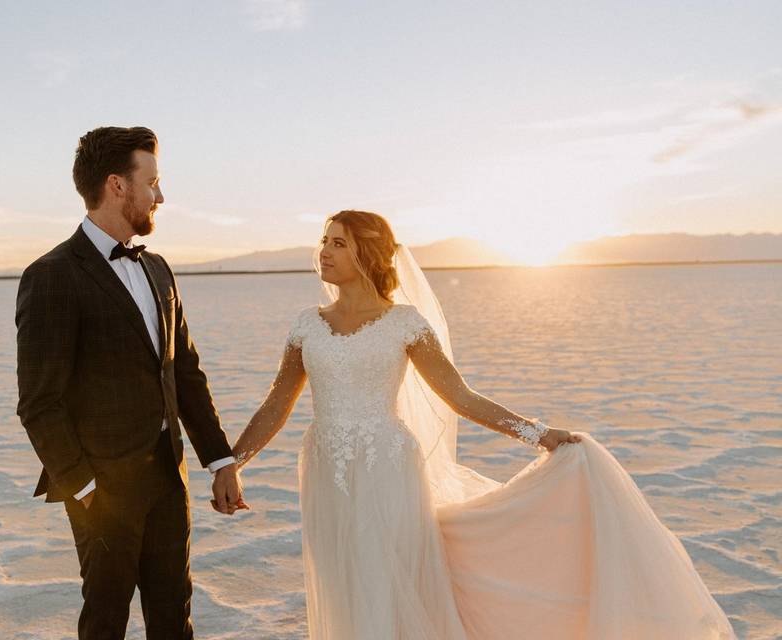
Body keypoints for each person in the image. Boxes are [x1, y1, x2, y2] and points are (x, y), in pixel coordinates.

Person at [231, 210, 737, 639]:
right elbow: (277, 403)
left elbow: (461, 397)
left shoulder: (405, 323)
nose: (323, 251)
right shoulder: (306, 323)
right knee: (341, 578)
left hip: (387, 466)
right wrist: (231, 463)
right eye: (323, 241)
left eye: (337, 243)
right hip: (324, 466)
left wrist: (539, 434)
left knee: (387, 575)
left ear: (366, 252)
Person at [15, 126, 245, 640]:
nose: (160, 195)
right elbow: (38, 402)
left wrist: (220, 460)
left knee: (174, 617)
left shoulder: (159, 269)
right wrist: (85, 487)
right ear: (118, 186)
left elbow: (184, 372)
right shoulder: (53, 274)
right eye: (153, 182)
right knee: (105, 622)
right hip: (102, 492)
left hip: (169, 478)